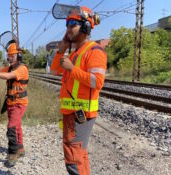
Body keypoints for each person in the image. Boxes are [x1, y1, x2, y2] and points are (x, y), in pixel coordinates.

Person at [50, 6, 107, 175]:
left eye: (73, 23)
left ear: (86, 27)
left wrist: (71, 69)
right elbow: (54, 71)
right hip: (71, 112)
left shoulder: (95, 51)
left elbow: (97, 82)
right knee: (79, 156)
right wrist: (61, 50)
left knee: (73, 159)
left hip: (81, 114)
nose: (68, 28)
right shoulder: (74, 53)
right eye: (67, 24)